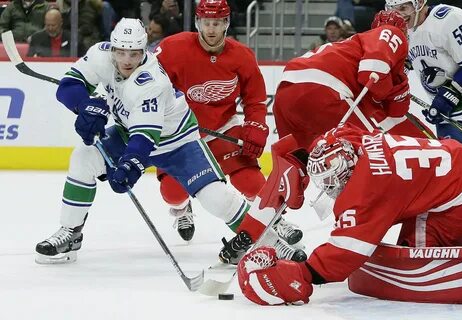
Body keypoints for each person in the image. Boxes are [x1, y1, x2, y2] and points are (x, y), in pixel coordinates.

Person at [34, 18, 306, 266]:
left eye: (135, 53)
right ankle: (70, 233)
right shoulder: (100, 54)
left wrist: (129, 167)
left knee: (216, 199)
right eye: (121, 52)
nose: (127, 60)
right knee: (83, 158)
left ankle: (271, 243)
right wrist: (85, 106)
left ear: (145, 52)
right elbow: (69, 85)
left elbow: (145, 138)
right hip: (128, 131)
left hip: (177, 142)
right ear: (112, 48)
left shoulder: (151, 81)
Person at [237, 123, 462, 305]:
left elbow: (347, 252)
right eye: (325, 180)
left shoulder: (368, 188)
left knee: (416, 258)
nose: (332, 187)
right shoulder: (348, 140)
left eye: (334, 179)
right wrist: (301, 158)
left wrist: (305, 272)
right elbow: (332, 136)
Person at [153, 0, 303, 245]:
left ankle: (275, 218)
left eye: (217, 23)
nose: (211, 29)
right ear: (197, 23)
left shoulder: (242, 56)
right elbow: (149, 84)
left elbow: (254, 99)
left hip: (223, 127)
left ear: (227, 23)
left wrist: (256, 127)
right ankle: (181, 210)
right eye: (206, 23)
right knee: (172, 193)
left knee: (249, 179)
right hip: (182, 133)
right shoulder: (172, 49)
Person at [273, 10, 430, 151]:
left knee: (294, 163)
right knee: (373, 153)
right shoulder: (391, 32)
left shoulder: (351, 45)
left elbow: (393, 110)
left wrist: (395, 85)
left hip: (285, 93)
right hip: (323, 88)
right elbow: (371, 76)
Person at [386, 0, 462, 148]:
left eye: (403, 8)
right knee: (459, 168)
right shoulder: (403, 30)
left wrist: (449, 95)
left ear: (419, 3)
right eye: (393, 9)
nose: (398, 14)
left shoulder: (449, 19)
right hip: (447, 116)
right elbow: (409, 59)